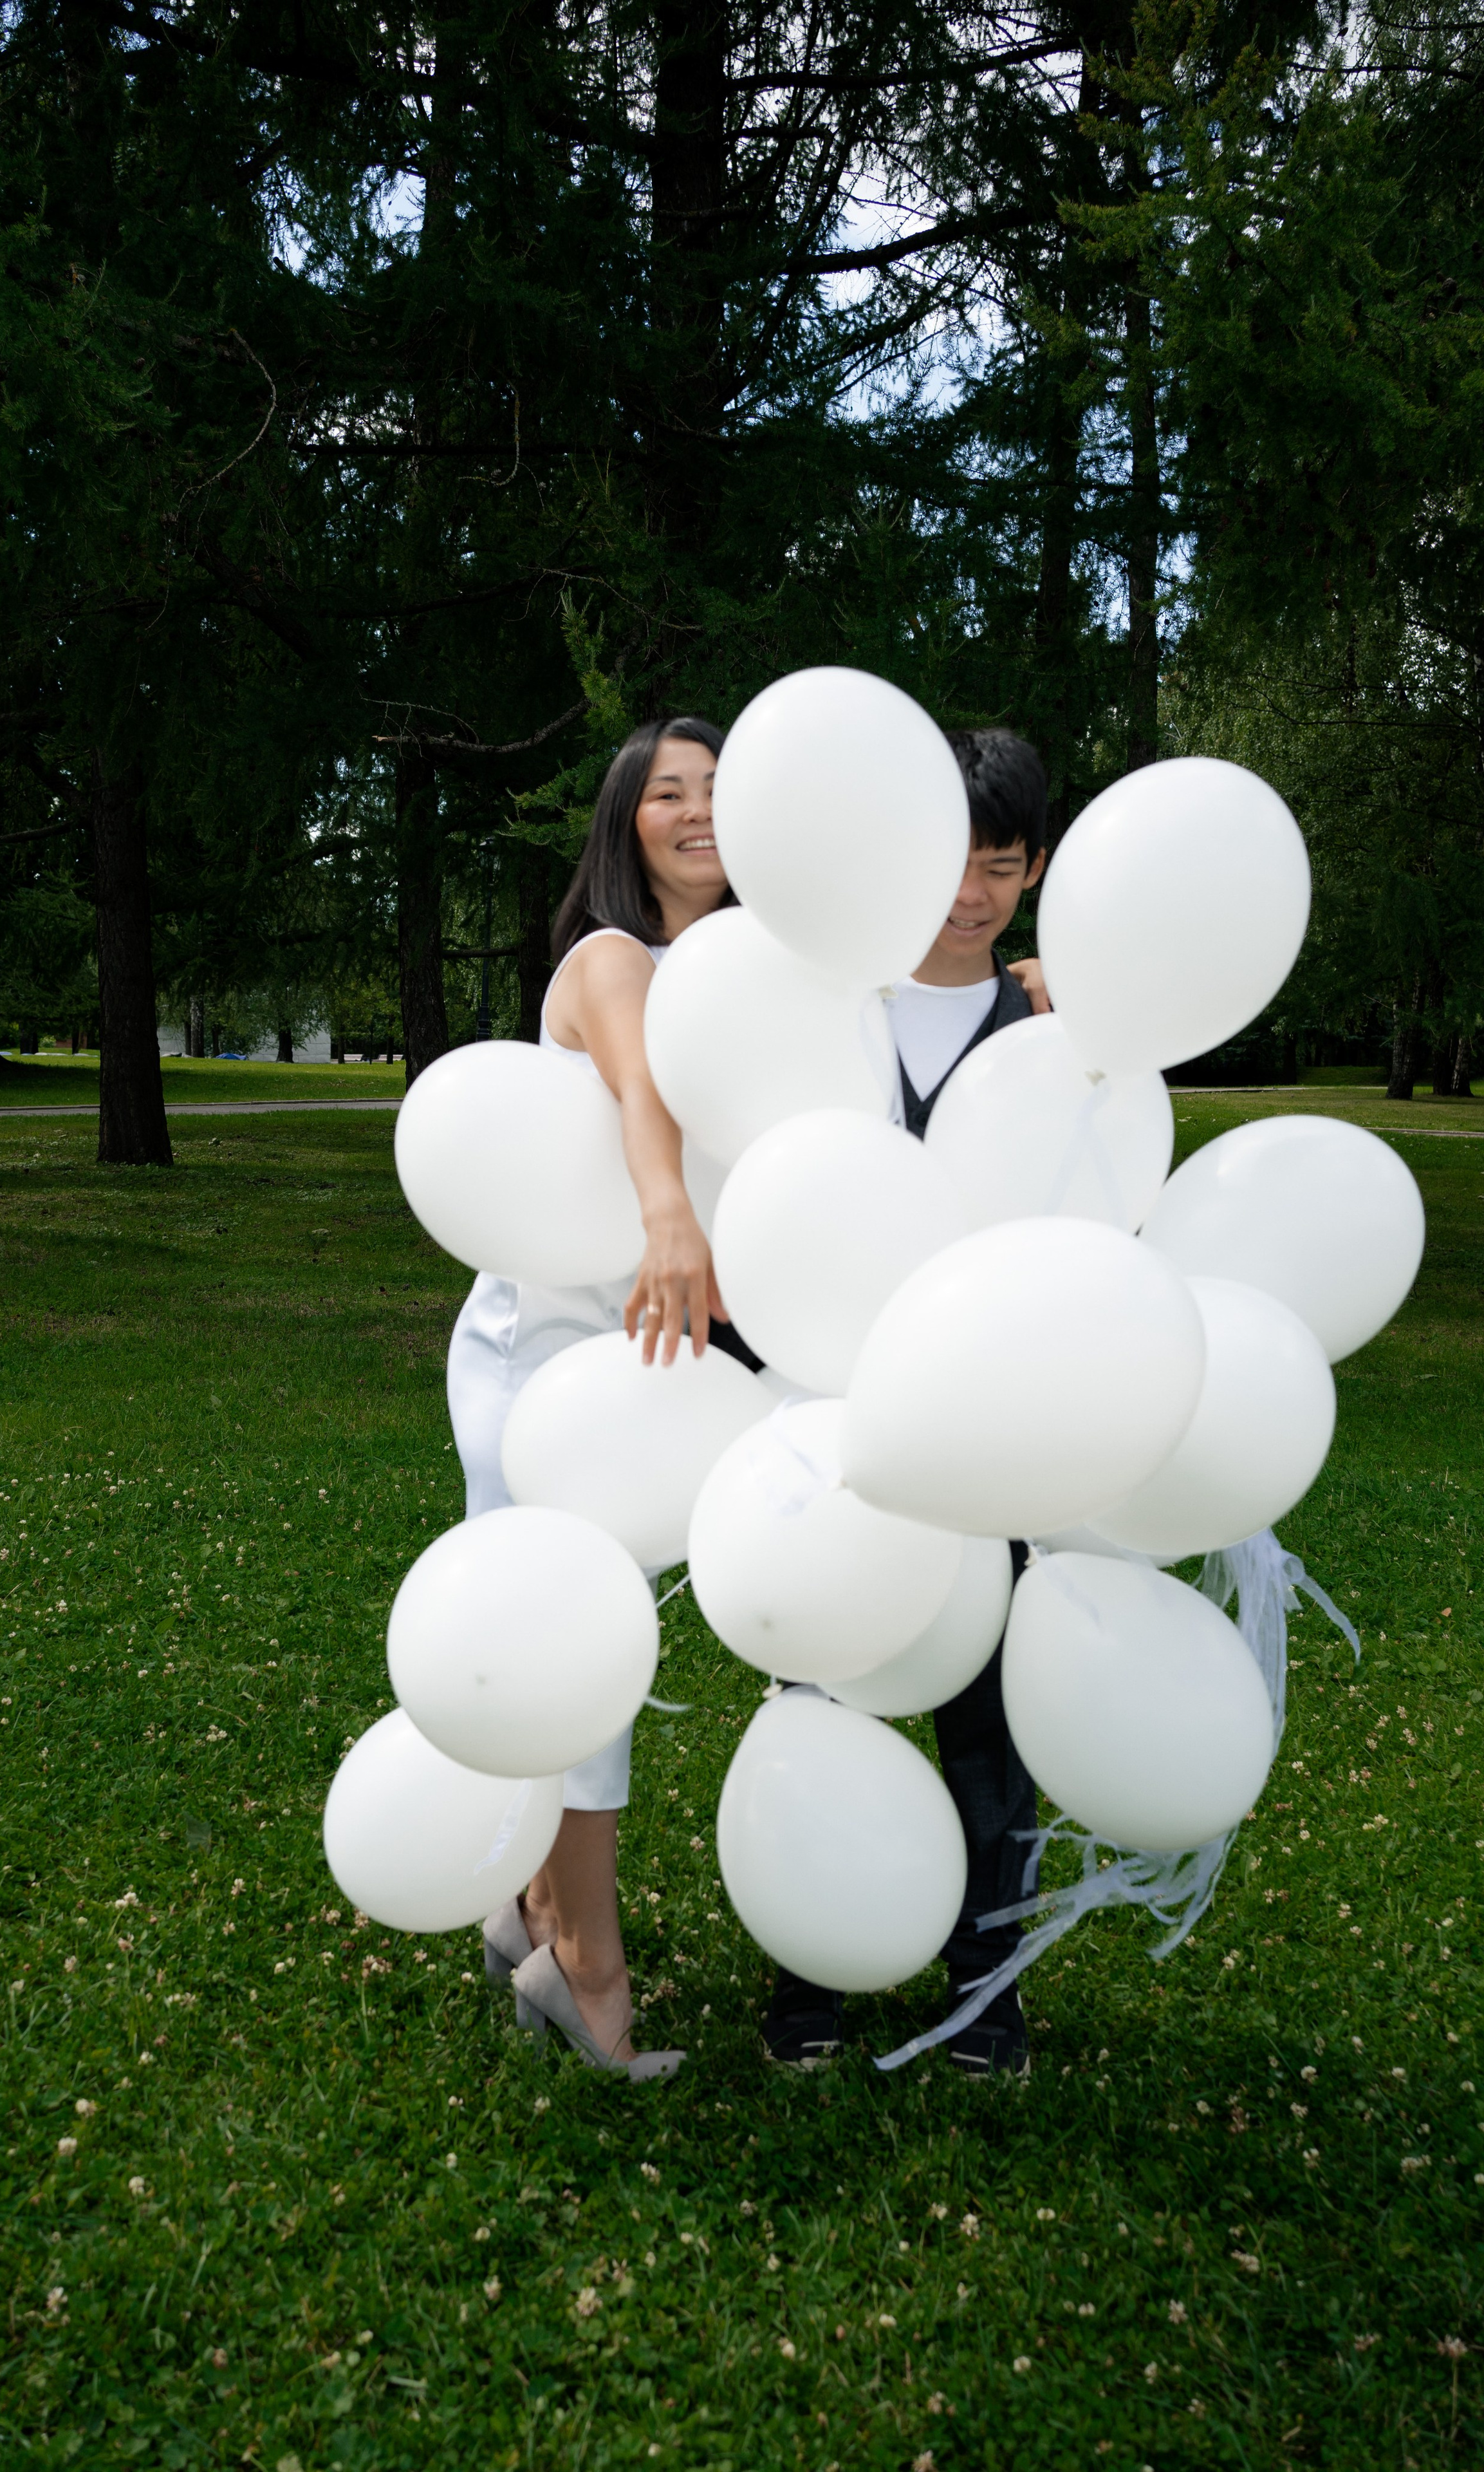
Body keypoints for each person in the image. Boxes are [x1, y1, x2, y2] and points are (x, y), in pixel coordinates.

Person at [759, 725, 1051, 2079]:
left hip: (995, 1418)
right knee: (820, 1678)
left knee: (989, 1708)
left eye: (1001, 864)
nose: (970, 895)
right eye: (951, 862)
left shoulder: (1055, 1034)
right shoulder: (828, 1012)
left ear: (1033, 871)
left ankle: (987, 1989)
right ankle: (807, 1969)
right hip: (834, 1408)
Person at [448, 715, 732, 2081]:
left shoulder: (750, 976)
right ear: (624, 823)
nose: (698, 811)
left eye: (720, 789)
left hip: (644, 1355)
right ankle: (587, 1973)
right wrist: (670, 1215)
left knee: (581, 1649)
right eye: (667, 792)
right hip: (548, 1349)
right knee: (582, 1654)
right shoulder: (613, 959)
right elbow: (640, 1090)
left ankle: (532, 1907)